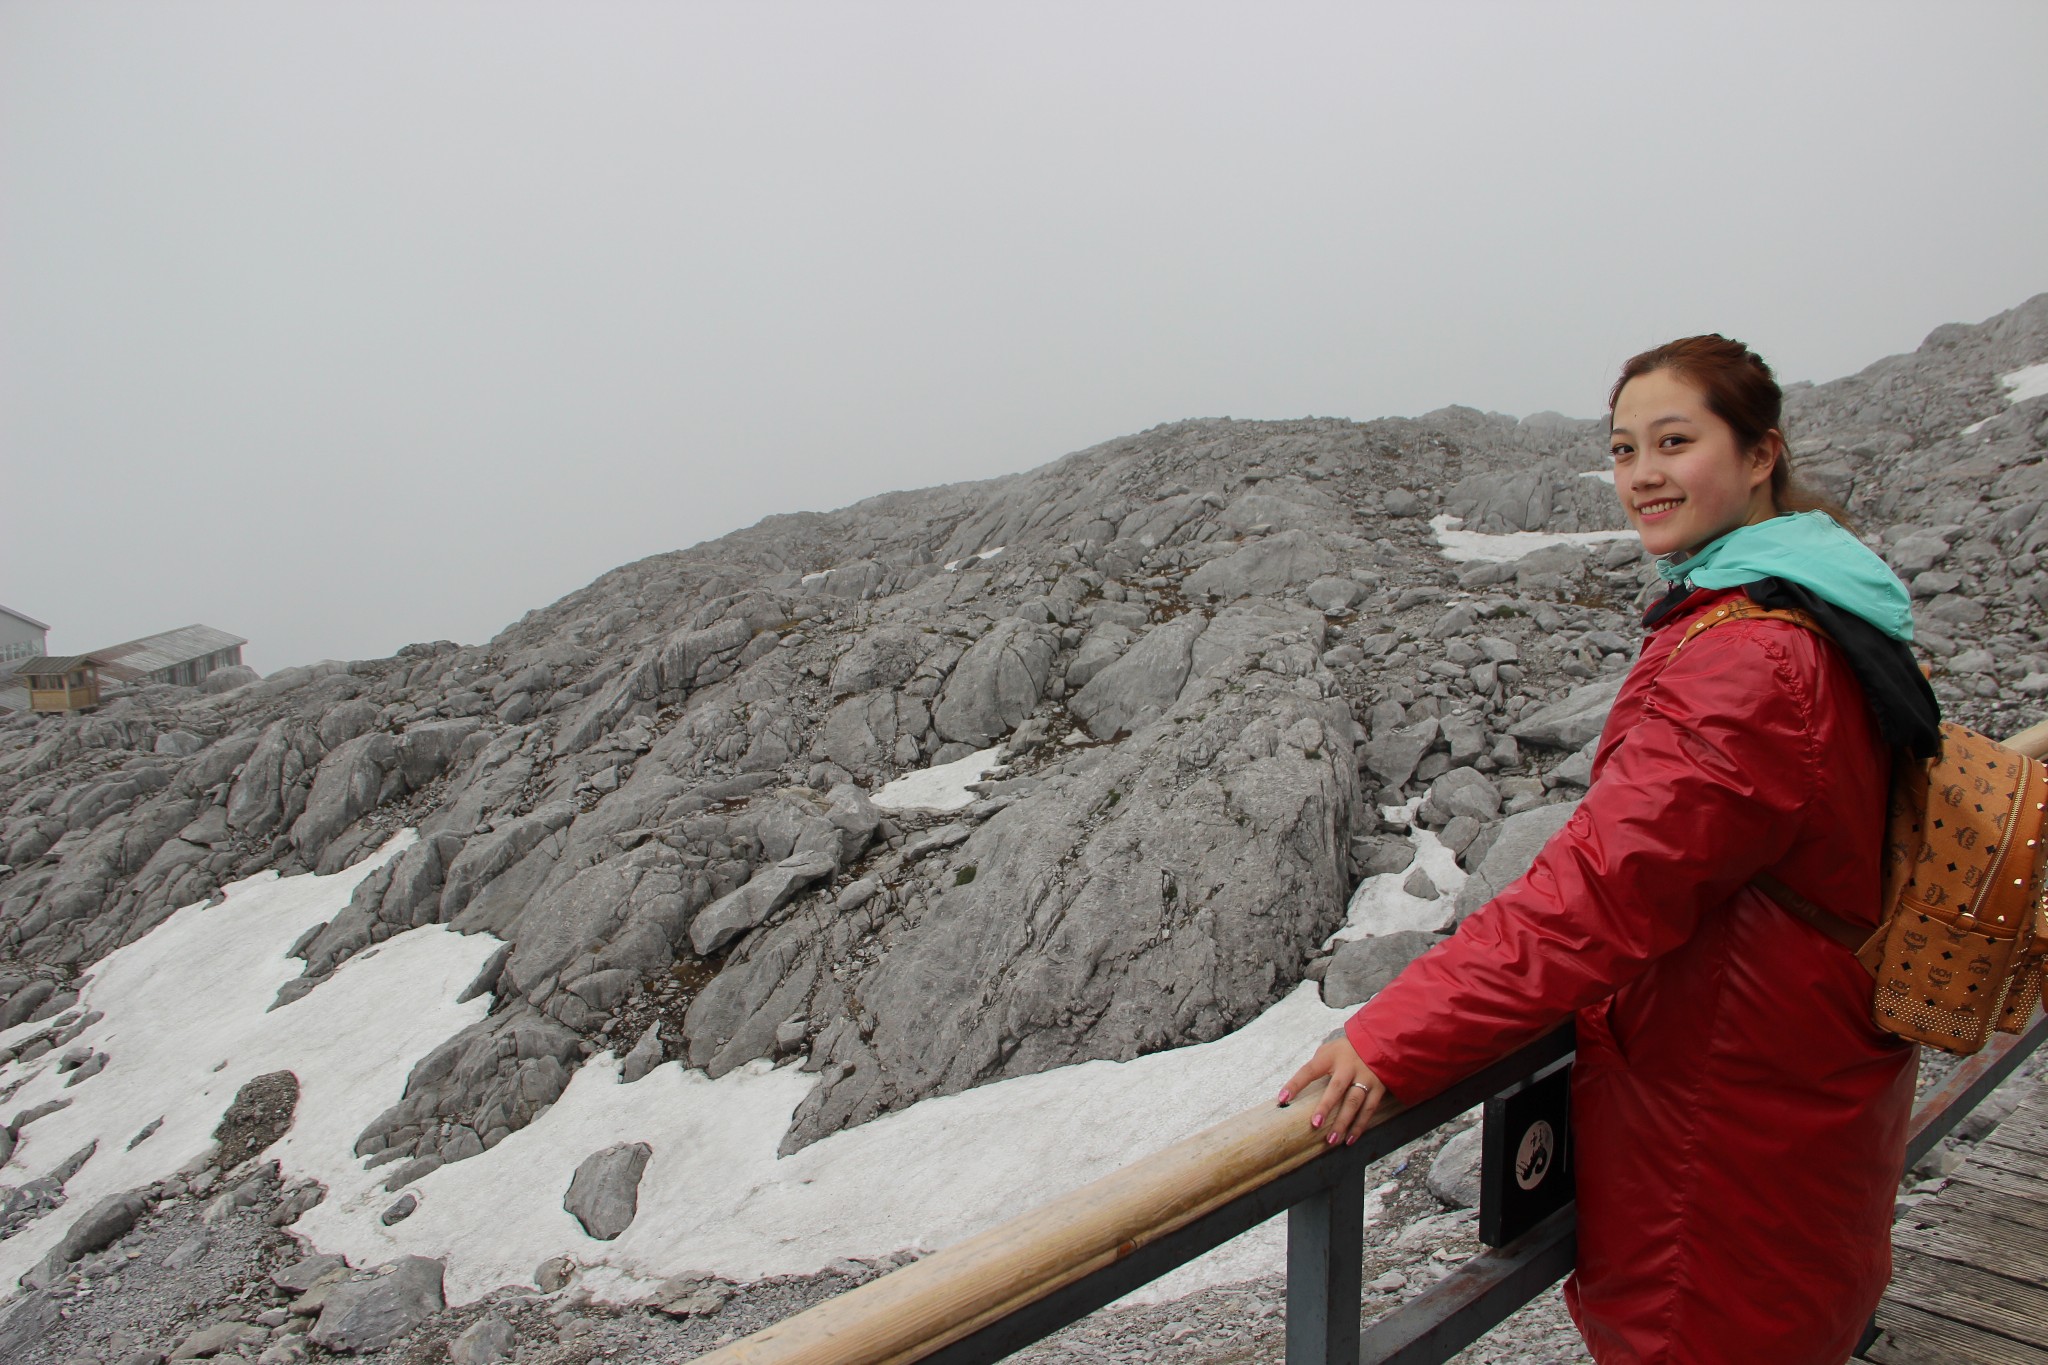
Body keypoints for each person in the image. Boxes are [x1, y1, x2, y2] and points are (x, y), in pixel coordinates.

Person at [1279, 335, 1941, 1365]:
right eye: (1624, 448)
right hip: (1799, 1078)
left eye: (1672, 442)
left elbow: (1598, 894)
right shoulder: (1827, 601)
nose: (1640, 475)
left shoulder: (1750, 661)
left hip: (1723, 1125)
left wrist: (1394, 1031)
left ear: (1759, 453)